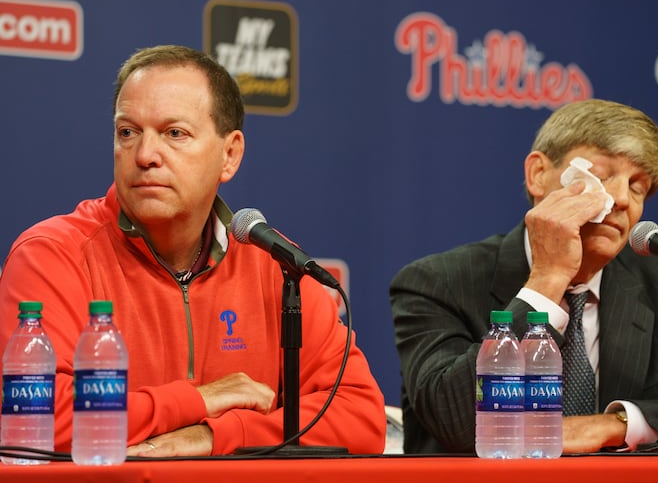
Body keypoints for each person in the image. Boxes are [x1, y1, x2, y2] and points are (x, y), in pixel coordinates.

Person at [0, 45, 386, 457]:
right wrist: (197, 400)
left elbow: (360, 416)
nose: (145, 155)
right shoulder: (52, 254)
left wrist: (215, 436)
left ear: (230, 154)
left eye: (174, 134)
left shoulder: (274, 264)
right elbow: (29, 421)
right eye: (128, 132)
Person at [389, 98, 658, 455]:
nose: (621, 199)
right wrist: (547, 280)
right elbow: (454, 421)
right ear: (538, 175)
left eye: (637, 186)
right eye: (600, 175)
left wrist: (612, 424)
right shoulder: (437, 281)